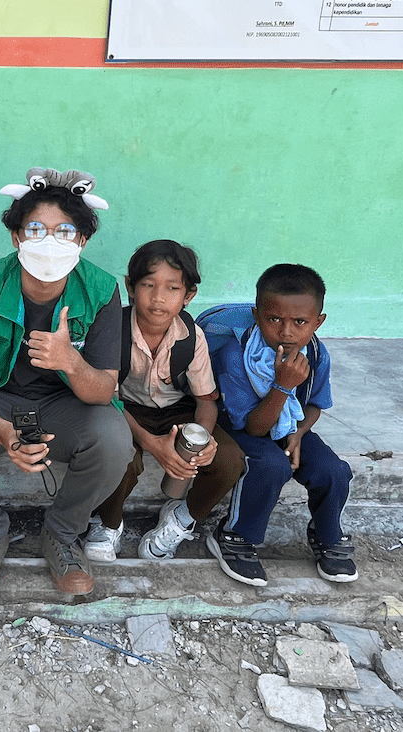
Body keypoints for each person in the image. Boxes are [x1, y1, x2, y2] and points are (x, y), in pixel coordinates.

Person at [0, 168, 132, 595]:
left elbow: (103, 390)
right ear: (16, 237)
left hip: (67, 407)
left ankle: (62, 535)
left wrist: (70, 361)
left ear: (82, 241)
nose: (49, 240)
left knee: (114, 438)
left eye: (65, 232)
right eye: (36, 229)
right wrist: (2, 431)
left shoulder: (101, 289)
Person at [83, 240, 245, 563]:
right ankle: (108, 522)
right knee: (120, 456)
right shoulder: (111, 329)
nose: (158, 299)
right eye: (148, 285)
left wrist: (202, 440)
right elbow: (107, 399)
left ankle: (181, 518)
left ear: (189, 296)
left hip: (177, 411)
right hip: (123, 408)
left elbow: (206, 401)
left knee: (230, 461)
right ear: (130, 287)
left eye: (172, 288)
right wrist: (152, 444)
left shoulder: (193, 336)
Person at [208, 264, 356, 587]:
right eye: (274, 319)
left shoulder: (316, 354)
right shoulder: (238, 354)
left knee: (333, 470)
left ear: (318, 322)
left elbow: (316, 404)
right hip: (242, 426)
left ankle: (327, 534)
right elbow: (253, 429)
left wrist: (300, 432)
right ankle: (234, 535)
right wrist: (283, 387)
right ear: (257, 314)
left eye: (300, 322)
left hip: (290, 426)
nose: (286, 332)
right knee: (271, 465)